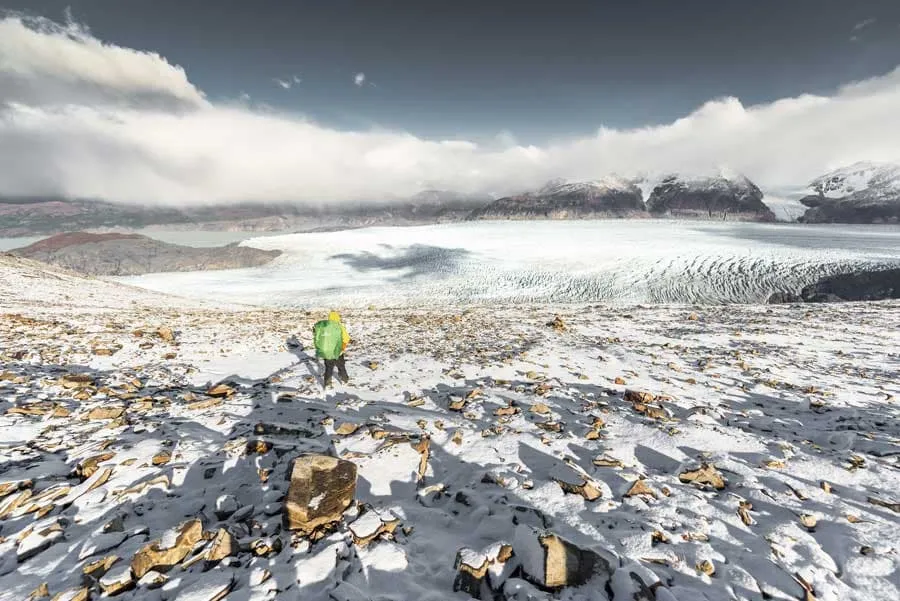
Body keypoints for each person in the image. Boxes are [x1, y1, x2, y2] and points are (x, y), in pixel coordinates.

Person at [312, 311, 350, 388]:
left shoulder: (324, 328)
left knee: (328, 368)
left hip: (327, 352)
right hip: (337, 351)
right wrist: (342, 347)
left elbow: (318, 338)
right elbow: (346, 339)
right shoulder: (339, 326)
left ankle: (327, 384)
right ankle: (344, 380)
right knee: (341, 366)